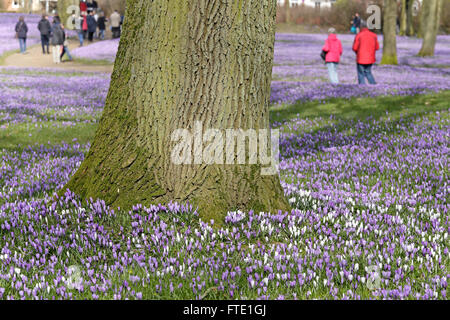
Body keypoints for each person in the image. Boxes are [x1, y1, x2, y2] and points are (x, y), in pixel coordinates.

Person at [352, 20, 379, 85]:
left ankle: (362, 87)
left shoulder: (359, 35)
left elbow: (355, 48)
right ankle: (374, 85)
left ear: (361, 27)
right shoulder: (374, 35)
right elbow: (377, 47)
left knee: (361, 73)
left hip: (360, 58)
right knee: (368, 72)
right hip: (370, 58)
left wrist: (357, 53)